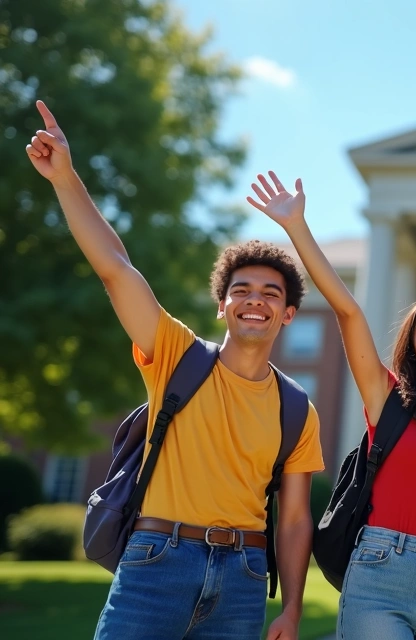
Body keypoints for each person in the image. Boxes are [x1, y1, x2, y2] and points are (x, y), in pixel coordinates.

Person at [25, 100, 325, 639]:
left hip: (245, 576)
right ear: (222, 306)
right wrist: (66, 180)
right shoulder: (177, 354)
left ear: (289, 314)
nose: (254, 301)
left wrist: (293, 607)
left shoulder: (297, 407)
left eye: (270, 294)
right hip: (157, 560)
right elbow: (117, 269)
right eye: (241, 290)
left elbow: (297, 518)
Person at [246, 174, 416, 639]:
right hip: (379, 573)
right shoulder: (387, 399)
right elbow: (349, 311)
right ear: (412, 347)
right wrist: (297, 226)